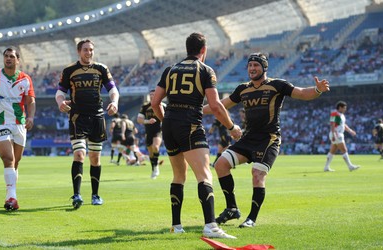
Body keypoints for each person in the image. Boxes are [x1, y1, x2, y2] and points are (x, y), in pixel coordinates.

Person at [203, 52, 330, 228]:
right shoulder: (243, 89)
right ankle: (232, 208)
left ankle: (251, 219)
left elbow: (302, 93)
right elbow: (220, 105)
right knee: (220, 165)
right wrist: (196, 110)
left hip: (269, 139)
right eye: (250, 65)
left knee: (257, 174)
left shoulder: (277, 85)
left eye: (256, 65)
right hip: (248, 138)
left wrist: (317, 90)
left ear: (264, 67)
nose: (252, 68)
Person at [151, 32, 242, 239]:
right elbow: (216, 106)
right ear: (203, 50)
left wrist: (165, 121)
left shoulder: (170, 70)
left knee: (178, 176)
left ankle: (176, 226)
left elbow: (155, 103)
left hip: (169, 125)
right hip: (190, 124)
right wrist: (231, 127)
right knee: (204, 175)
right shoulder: (205, 70)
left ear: (187, 48)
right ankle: (210, 225)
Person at [55, 39, 120, 209]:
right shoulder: (69, 70)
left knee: (95, 157)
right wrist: (60, 102)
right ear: (79, 51)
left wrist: (115, 102)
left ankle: (95, 195)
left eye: (91, 50)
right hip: (77, 117)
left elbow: (113, 89)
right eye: (85, 50)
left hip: (97, 117)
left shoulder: (101, 69)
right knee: (79, 155)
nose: (89, 53)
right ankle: (77, 195)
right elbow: (60, 92)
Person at [0, 47, 36, 211]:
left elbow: (30, 101)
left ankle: (11, 194)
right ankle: (12, 197)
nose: (8, 59)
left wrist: (30, 117)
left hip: (19, 124)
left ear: (18, 60)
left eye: (11, 56)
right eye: (6, 56)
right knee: (8, 159)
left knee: (15, 163)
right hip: (1, 122)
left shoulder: (25, 79)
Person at [137, 89, 166, 179]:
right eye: (151, 95)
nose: (152, 96)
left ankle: (156, 167)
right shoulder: (145, 106)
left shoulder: (163, 105)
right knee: (150, 152)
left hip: (158, 130)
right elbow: (139, 119)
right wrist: (148, 121)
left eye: (154, 94)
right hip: (148, 131)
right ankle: (154, 167)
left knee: (155, 147)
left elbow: (168, 117)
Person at [324, 101, 360, 172]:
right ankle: (350, 166)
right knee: (344, 150)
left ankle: (326, 167)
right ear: (340, 107)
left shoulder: (341, 115)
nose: (345, 109)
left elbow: (343, 125)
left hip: (338, 133)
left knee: (332, 151)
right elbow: (332, 124)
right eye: (344, 108)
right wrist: (334, 134)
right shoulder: (334, 114)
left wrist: (350, 131)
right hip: (337, 133)